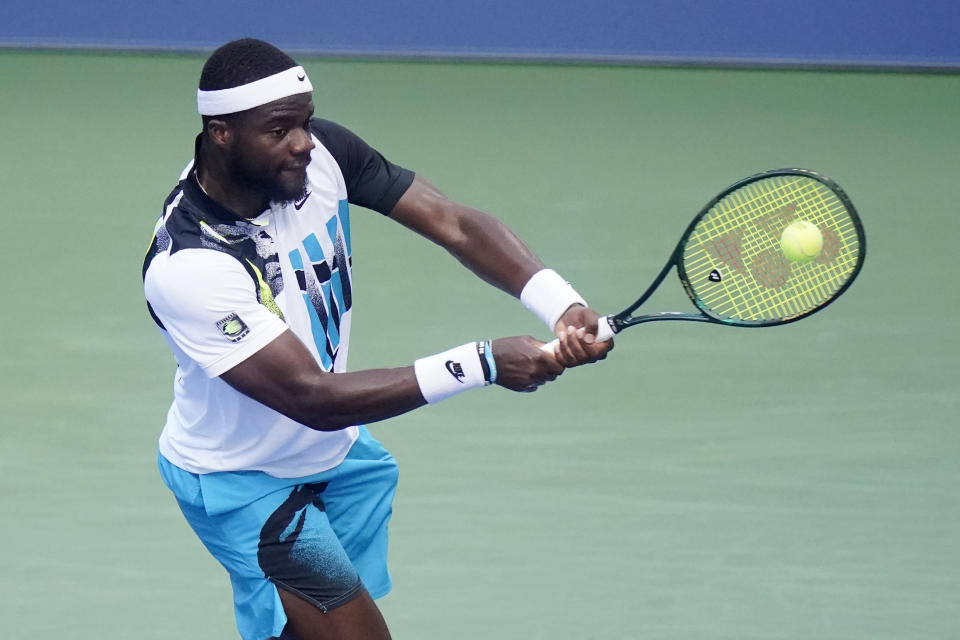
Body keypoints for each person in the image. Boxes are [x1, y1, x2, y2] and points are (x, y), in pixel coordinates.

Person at [143, 38, 612, 640]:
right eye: (280, 129)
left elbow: (452, 221)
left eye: (306, 122)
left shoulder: (321, 159)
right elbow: (312, 397)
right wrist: (484, 362)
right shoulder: (191, 264)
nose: (303, 143)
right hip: (243, 478)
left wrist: (562, 303)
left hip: (334, 455)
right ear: (221, 133)